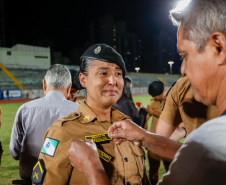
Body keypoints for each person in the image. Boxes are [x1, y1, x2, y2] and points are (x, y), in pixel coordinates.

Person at [68, 0, 226, 184]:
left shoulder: (212, 138)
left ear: (219, 47)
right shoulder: (210, 145)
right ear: (83, 80)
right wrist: (145, 136)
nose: (182, 69)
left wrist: (91, 166)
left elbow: (200, 159)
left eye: (185, 56)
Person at [34, 44, 148, 185]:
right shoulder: (62, 132)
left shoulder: (128, 125)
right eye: (103, 73)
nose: (113, 81)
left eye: (118, 74)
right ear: (83, 80)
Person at [10, 64, 79, 184]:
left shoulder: (25, 109)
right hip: (67, 180)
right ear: (69, 88)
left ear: (44, 84)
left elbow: (15, 152)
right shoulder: (79, 111)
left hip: (31, 179)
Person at [143, 81, 168, 185]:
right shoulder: (152, 102)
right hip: (153, 143)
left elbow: (172, 118)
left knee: (172, 171)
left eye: (155, 95)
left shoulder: (171, 101)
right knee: (153, 174)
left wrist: (154, 113)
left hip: (168, 143)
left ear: (162, 92)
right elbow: (145, 121)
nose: (153, 97)